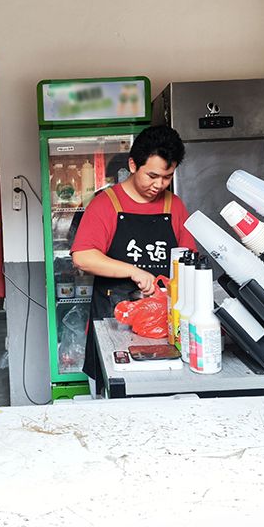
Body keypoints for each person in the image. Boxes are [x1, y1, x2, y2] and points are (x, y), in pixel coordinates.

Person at [71, 125, 197, 394]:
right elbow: (83, 256)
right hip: (114, 324)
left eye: (167, 177)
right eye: (152, 175)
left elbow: (189, 260)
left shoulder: (174, 206)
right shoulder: (106, 204)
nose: (159, 185)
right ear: (132, 165)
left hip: (164, 327)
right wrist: (133, 270)